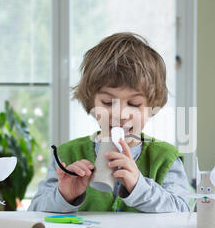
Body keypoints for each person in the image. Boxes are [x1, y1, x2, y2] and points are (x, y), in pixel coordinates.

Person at [29, 32, 191, 213]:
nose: (120, 114)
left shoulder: (164, 158)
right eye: (107, 102)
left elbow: (183, 211)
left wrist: (140, 187)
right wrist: (64, 195)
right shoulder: (67, 155)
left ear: (151, 106)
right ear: (91, 103)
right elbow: (34, 212)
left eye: (134, 104)